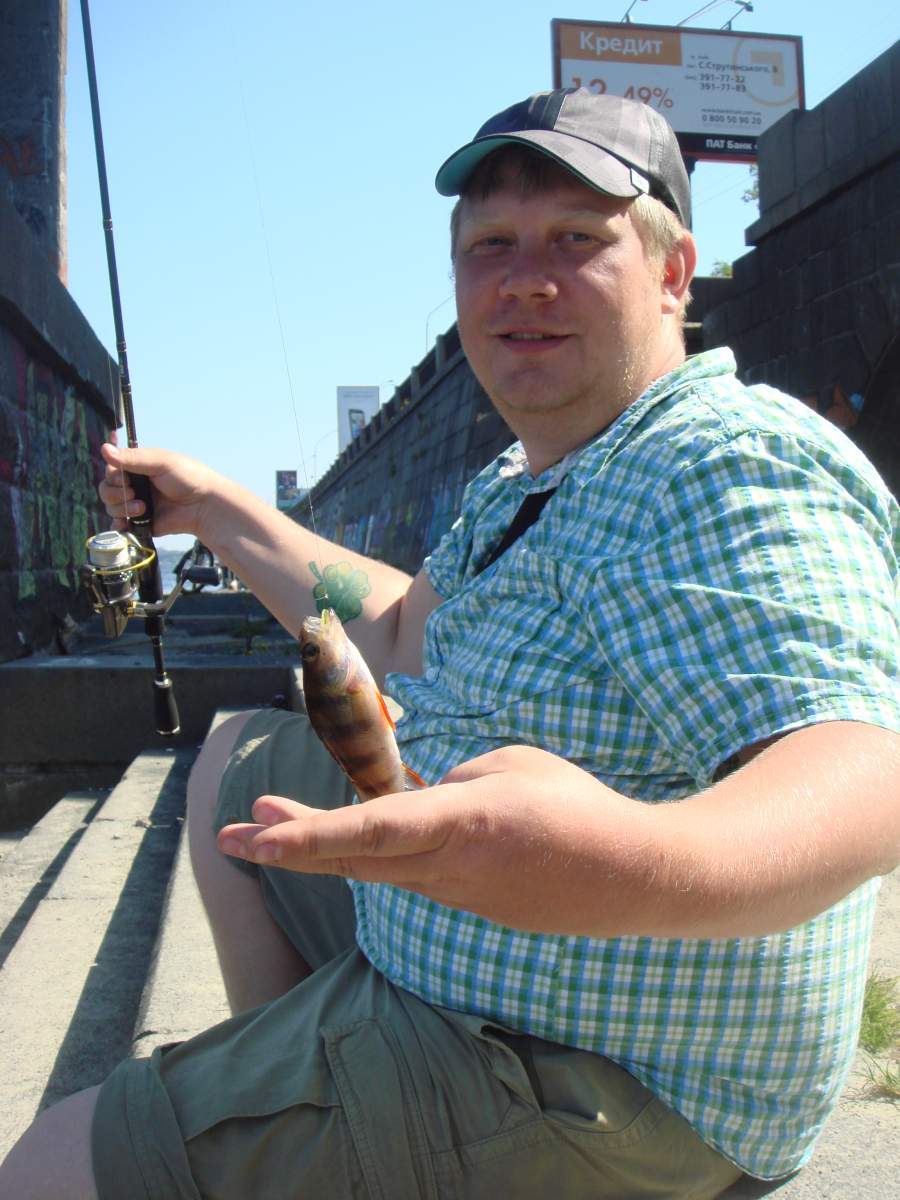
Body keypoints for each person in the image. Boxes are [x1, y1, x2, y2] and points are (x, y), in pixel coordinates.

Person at [3, 88, 899, 1200]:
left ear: (674, 274)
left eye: (576, 239)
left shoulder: (725, 462)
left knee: (52, 1167)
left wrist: (612, 862)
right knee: (234, 761)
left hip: (605, 1077)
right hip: (470, 946)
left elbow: (866, 769)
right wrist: (218, 513)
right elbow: (396, 632)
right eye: (491, 247)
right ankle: (313, 1103)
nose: (525, 278)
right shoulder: (529, 475)